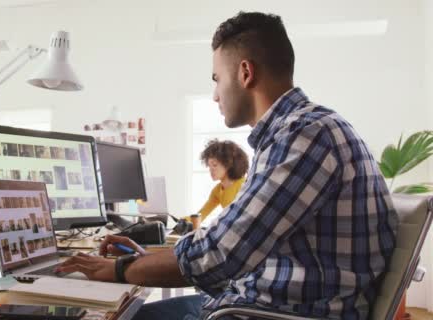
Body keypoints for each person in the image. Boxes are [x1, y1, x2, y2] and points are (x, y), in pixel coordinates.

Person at [57, 11, 397, 319]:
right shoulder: (293, 134)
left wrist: (121, 269)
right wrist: (144, 259)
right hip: (255, 301)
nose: (215, 95)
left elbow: (220, 255)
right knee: (128, 312)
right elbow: (234, 243)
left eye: (217, 79)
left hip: (269, 313)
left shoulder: (307, 134)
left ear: (246, 73)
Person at [193, 139, 248, 222]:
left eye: (214, 165)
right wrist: (180, 222)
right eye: (209, 165)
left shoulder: (243, 185)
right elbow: (201, 214)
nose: (211, 169)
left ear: (228, 164)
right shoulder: (217, 190)